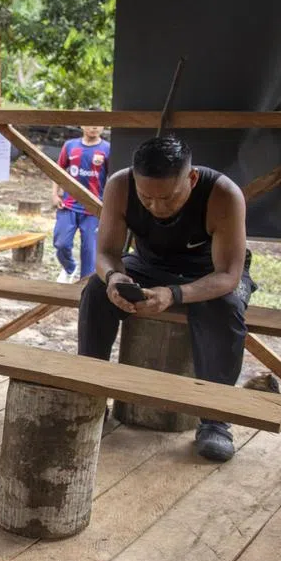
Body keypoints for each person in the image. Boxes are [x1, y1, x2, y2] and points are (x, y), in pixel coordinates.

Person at [79, 135, 254, 462]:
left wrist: (174, 294)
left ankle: (216, 419)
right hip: (147, 265)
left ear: (191, 178)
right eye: (146, 198)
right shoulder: (120, 186)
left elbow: (228, 275)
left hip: (209, 272)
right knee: (95, 290)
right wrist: (115, 277)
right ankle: (90, 396)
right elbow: (104, 254)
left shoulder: (223, 194)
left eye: (168, 198)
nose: (157, 207)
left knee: (225, 307)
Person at [52, 121, 110, 282]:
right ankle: (69, 267)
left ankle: (84, 287)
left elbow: (114, 178)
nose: (94, 126)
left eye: (98, 124)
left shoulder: (107, 149)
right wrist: (55, 194)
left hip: (94, 208)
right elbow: (58, 171)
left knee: (89, 251)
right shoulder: (70, 146)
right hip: (68, 205)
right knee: (61, 242)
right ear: (82, 126)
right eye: (90, 124)